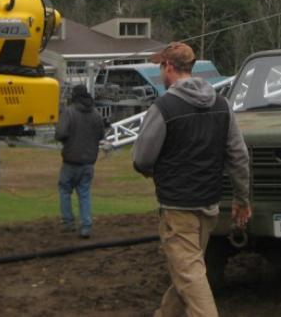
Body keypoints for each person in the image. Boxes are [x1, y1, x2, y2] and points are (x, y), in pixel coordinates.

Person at [133, 42, 251, 317]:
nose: (160, 72)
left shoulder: (164, 107)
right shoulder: (222, 105)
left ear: (169, 67)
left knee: (191, 276)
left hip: (177, 208)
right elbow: (238, 155)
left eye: (160, 66)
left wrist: (155, 172)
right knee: (187, 271)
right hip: (209, 206)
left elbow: (141, 159)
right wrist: (242, 198)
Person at [56, 83, 109, 238]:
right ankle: (86, 226)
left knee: (65, 190)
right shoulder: (96, 114)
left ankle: (68, 222)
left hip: (70, 161)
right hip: (88, 162)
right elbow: (101, 135)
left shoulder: (69, 112)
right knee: (84, 193)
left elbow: (60, 134)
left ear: (74, 96)